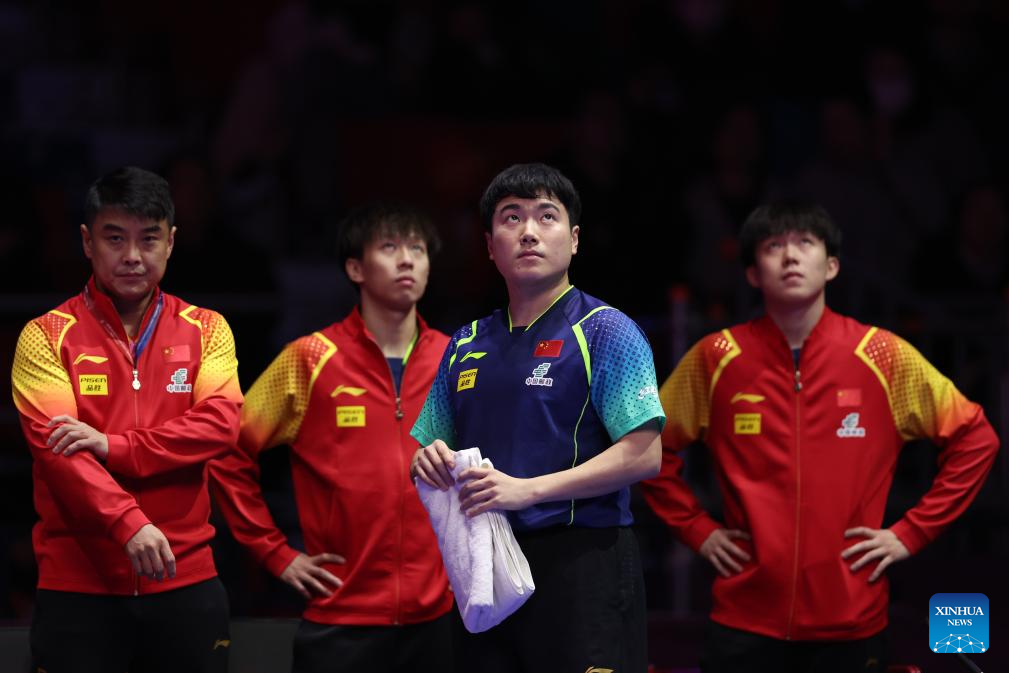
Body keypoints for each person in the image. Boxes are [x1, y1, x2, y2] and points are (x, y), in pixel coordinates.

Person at [641, 202, 1000, 673]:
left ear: (831, 266)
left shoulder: (882, 354)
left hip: (852, 621)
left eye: (805, 243)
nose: (790, 256)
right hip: (744, 621)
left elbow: (976, 437)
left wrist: (911, 533)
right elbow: (647, 446)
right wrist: (697, 529)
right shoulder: (716, 356)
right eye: (773, 246)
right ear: (752, 273)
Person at [411, 163, 665, 673]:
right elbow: (429, 448)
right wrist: (427, 459)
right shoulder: (465, 342)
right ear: (490, 246)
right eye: (512, 218)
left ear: (574, 240)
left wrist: (527, 490)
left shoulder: (605, 329)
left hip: (583, 563)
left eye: (546, 216)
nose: (529, 231)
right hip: (487, 563)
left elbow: (644, 455)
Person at [11, 166, 242, 673]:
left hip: (186, 580)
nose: (133, 255)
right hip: (79, 587)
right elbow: (58, 454)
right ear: (87, 242)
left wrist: (114, 446)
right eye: (115, 238)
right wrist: (128, 523)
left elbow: (221, 425)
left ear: (171, 242)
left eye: (148, 238)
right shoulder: (45, 335)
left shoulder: (208, 329)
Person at [209, 203, 454, 673]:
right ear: (355, 268)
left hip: (438, 620)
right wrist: (275, 553)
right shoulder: (308, 359)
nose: (407, 260)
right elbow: (227, 451)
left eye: (418, 249)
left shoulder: (456, 359)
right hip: (340, 618)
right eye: (390, 247)